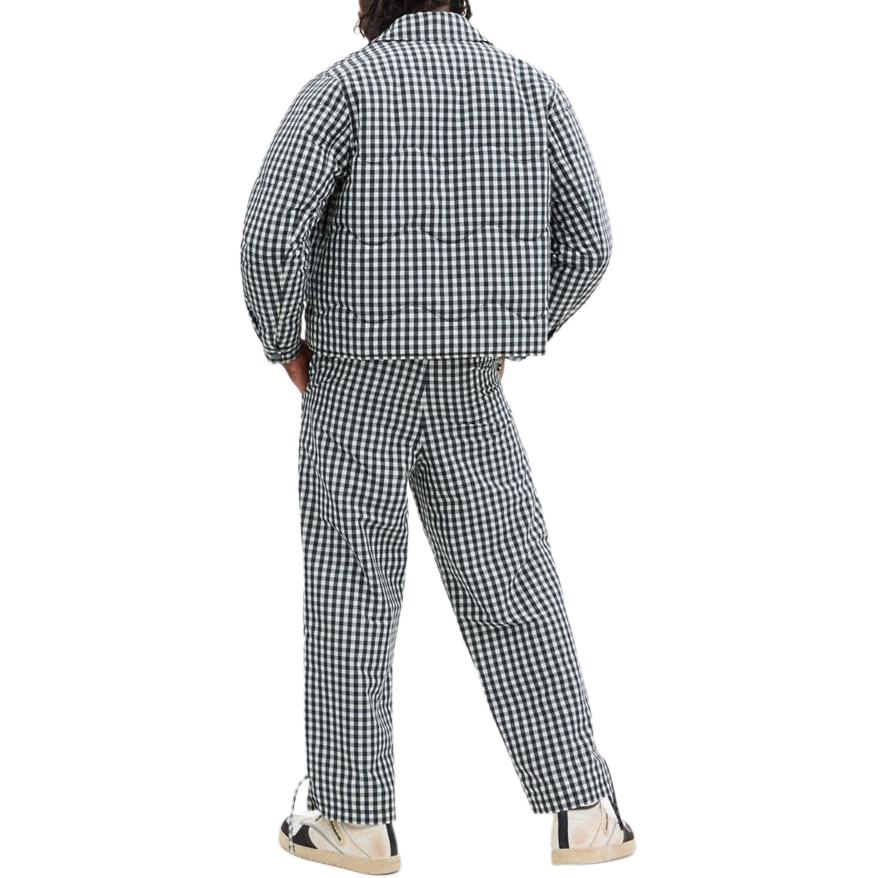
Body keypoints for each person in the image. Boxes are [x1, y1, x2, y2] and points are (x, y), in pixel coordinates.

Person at [240, 1, 635, 871]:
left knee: (352, 589)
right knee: (512, 582)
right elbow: (591, 246)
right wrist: (513, 328)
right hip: (470, 380)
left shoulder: (344, 88)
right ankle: (585, 813)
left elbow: (270, 236)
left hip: (356, 376)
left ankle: (354, 821)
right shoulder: (533, 90)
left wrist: (285, 342)